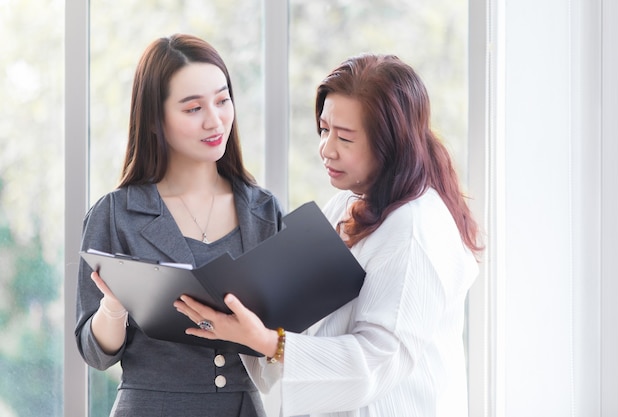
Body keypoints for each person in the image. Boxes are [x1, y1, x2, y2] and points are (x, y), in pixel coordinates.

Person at [174, 53, 484, 417]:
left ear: (392, 144)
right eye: (324, 130)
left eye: (346, 138)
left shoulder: (415, 228)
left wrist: (264, 341)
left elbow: (375, 361)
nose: (326, 149)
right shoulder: (346, 205)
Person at [75, 34, 283, 417]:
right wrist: (114, 306)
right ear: (155, 121)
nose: (215, 119)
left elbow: (283, 337)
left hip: (243, 407)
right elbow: (95, 352)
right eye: (193, 109)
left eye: (222, 100)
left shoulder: (264, 211)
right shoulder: (114, 214)